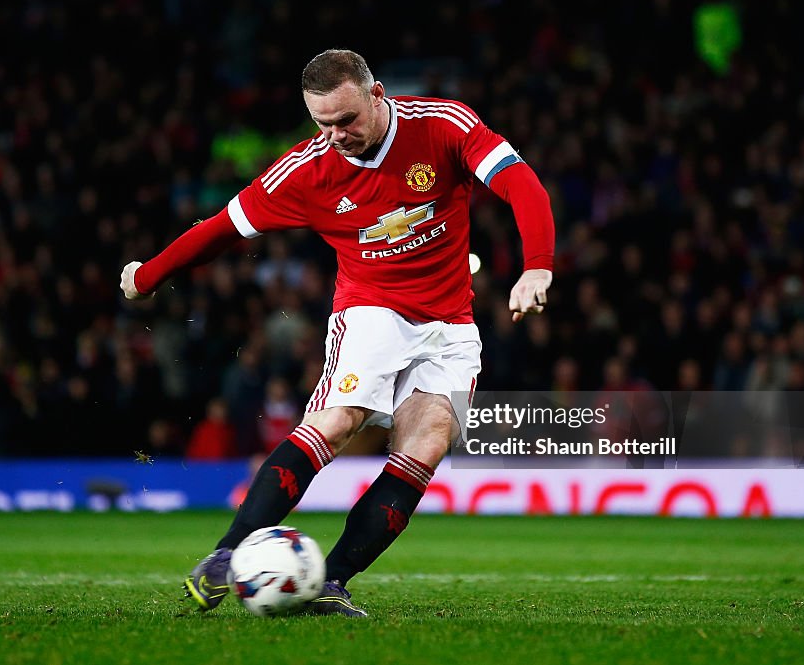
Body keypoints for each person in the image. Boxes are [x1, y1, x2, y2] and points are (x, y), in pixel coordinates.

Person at [120, 49, 554, 617]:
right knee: (337, 420)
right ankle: (226, 555)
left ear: (377, 96)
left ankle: (333, 582)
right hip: (371, 311)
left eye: (346, 120)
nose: (336, 135)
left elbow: (522, 184)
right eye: (322, 123)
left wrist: (537, 265)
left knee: (424, 447)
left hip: (450, 324)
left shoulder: (442, 125)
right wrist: (148, 276)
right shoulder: (306, 170)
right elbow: (222, 228)